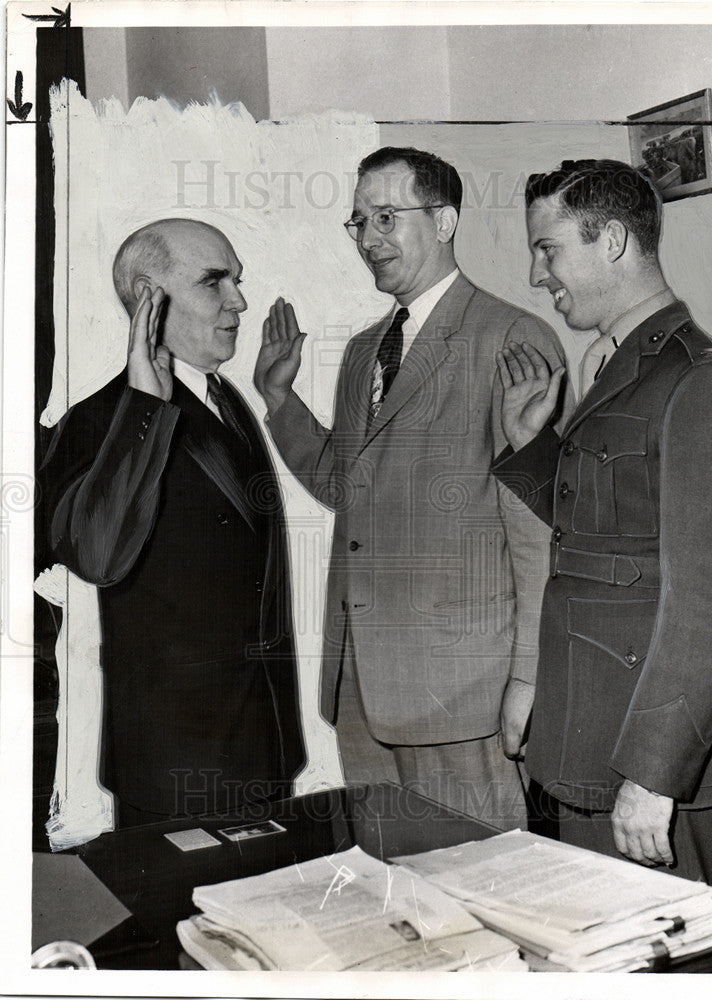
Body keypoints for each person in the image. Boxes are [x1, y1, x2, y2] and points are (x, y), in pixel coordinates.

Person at [254, 146, 571, 829]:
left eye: (388, 218)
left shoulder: (514, 336)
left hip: (465, 695)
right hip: (363, 688)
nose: (369, 239)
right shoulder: (366, 350)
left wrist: (529, 678)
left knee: (482, 892)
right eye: (359, 221)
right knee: (395, 900)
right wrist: (279, 400)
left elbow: (540, 534)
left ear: (446, 221)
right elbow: (350, 487)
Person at [491, 159, 712, 893]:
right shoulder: (630, 367)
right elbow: (604, 540)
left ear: (612, 240)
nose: (535, 274)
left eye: (547, 249)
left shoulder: (701, 379)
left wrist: (654, 772)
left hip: (645, 762)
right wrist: (534, 449)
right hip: (592, 735)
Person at [42, 219, 304, 826]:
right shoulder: (99, 419)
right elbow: (98, 557)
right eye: (214, 282)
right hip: (175, 761)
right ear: (147, 299)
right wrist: (144, 410)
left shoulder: (228, 397)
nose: (239, 300)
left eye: (237, 280)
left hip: (261, 742)